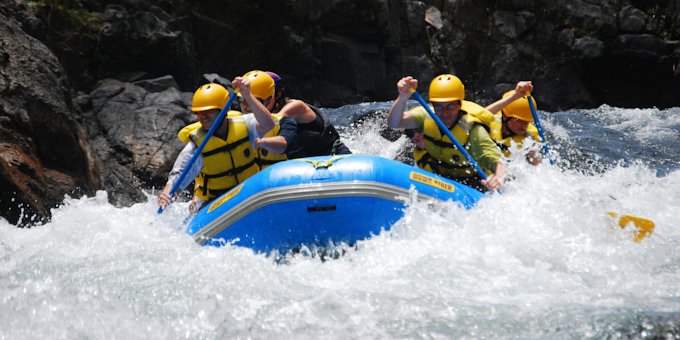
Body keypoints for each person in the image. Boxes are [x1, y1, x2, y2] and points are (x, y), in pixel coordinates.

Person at [157, 82, 277, 212]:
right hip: (216, 203)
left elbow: (268, 124)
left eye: (209, 111)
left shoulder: (245, 125)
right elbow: (178, 175)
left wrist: (247, 94)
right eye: (199, 112)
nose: (202, 116)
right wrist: (167, 193)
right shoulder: (196, 146)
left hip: (249, 193)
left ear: (225, 109)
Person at [387, 74, 506, 192]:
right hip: (439, 180)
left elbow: (498, 163)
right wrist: (403, 97)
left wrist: (498, 179)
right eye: (439, 107)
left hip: (472, 185)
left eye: (450, 106)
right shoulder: (426, 116)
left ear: (460, 105)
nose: (444, 113)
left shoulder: (474, 130)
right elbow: (394, 123)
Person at [256, 71, 351, 159]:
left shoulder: (295, 106)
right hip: (307, 164)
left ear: (278, 95)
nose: (257, 104)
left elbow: (271, 124)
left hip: (335, 155)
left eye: (262, 99)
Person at [233, 70, 298, 170]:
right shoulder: (234, 122)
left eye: (251, 99)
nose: (245, 105)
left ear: (268, 100)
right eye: (242, 100)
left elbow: (282, 145)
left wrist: (262, 142)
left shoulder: (285, 121)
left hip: (274, 178)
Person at [484, 81, 542, 165]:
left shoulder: (530, 137)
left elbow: (538, 167)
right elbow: (479, 114)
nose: (524, 126)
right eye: (520, 121)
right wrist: (515, 95)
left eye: (527, 122)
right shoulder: (492, 120)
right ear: (505, 117)